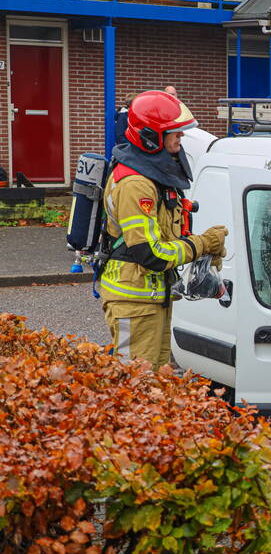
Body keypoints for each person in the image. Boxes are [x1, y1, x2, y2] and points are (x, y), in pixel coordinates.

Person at [99, 90, 228, 368]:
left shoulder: (152, 176)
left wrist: (204, 246)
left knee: (154, 385)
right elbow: (152, 254)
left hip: (152, 300)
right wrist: (202, 244)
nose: (181, 140)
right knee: (134, 389)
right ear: (150, 136)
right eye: (176, 134)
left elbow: (167, 237)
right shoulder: (136, 185)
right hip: (133, 303)